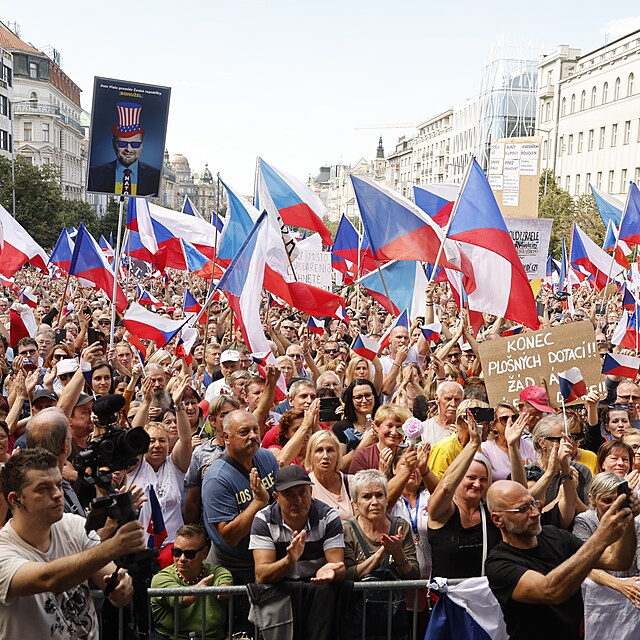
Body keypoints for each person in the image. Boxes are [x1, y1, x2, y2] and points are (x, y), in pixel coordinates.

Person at [0, 448, 146, 639]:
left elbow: (110, 579)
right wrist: (114, 546)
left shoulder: (74, 525)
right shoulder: (4, 551)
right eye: (43, 488)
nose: (57, 494)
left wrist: (121, 590)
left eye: (59, 485)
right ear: (16, 499)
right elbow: (49, 579)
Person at [485, 478, 639, 640]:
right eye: (523, 509)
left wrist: (626, 518)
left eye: (534, 503)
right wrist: (600, 538)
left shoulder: (555, 536)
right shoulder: (499, 563)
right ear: (497, 519)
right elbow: (551, 591)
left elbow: (617, 560)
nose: (535, 513)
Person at [201, 410, 279, 632]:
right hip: (233, 571)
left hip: (267, 563)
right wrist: (258, 503)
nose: (253, 436)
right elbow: (230, 536)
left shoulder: (266, 458)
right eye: (244, 432)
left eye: (256, 429)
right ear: (226, 437)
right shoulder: (217, 477)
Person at [343, 469, 419, 640]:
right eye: (366, 496)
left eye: (379, 495)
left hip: (394, 622)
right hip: (357, 622)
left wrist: (398, 554)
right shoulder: (346, 529)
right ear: (354, 503)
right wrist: (381, 553)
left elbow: (414, 575)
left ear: (386, 499)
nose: (374, 501)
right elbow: (347, 575)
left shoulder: (400, 526)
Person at [427, 411, 501, 579]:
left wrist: (511, 446)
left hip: (483, 599)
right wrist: (473, 444)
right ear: (458, 479)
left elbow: (525, 492)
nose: (477, 484)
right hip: (449, 600)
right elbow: (445, 487)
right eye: (471, 478)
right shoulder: (443, 511)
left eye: (483, 479)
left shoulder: (490, 511)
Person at [250, 465, 345, 583]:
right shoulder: (264, 520)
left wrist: (331, 572)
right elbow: (261, 575)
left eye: (303, 493)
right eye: (289, 495)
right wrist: (289, 561)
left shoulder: (328, 517)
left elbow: (338, 566)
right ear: (276, 497)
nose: (298, 501)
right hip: (278, 593)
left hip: (319, 590)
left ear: (311, 492)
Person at [150, 524, 232, 640]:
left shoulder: (218, 572)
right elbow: (182, 599)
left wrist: (223, 590)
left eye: (190, 554)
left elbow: (224, 584)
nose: (182, 559)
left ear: (204, 553)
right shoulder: (161, 578)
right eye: (177, 552)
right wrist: (199, 588)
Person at [88, 101, 160, 196]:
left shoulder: (155, 176)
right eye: (122, 143)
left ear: (142, 146)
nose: (128, 149)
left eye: (135, 144)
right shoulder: (94, 174)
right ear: (114, 144)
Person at [332, 378, 380, 471]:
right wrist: (364, 443)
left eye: (368, 395)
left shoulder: (384, 423)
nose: (364, 400)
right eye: (358, 397)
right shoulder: (341, 427)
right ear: (351, 400)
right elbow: (339, 467)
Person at [306, 430, 354, 521]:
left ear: (337, 456)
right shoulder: (306, 487)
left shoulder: (352, 482)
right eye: (319, 450)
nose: (325, 456)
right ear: (310, 456)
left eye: (330, 450)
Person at [481, 403, 536, 481]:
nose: (511, 422)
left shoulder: (531, 447)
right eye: (505, 419)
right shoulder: (485, 449)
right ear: (494, 425)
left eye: (514, 418)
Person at [348, 404, 410, 474]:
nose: (394, 432)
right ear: (376, 427)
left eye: (399, 427)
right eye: (389, 426)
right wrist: (382, 473)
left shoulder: (407, 455)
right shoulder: (362, 457)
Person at [420, 381, 463, 445]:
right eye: (448, 399)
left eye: (457, 400)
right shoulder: (424, 428)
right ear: (437, 399)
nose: (453, 404)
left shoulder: (467, 430)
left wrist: (463, 438)